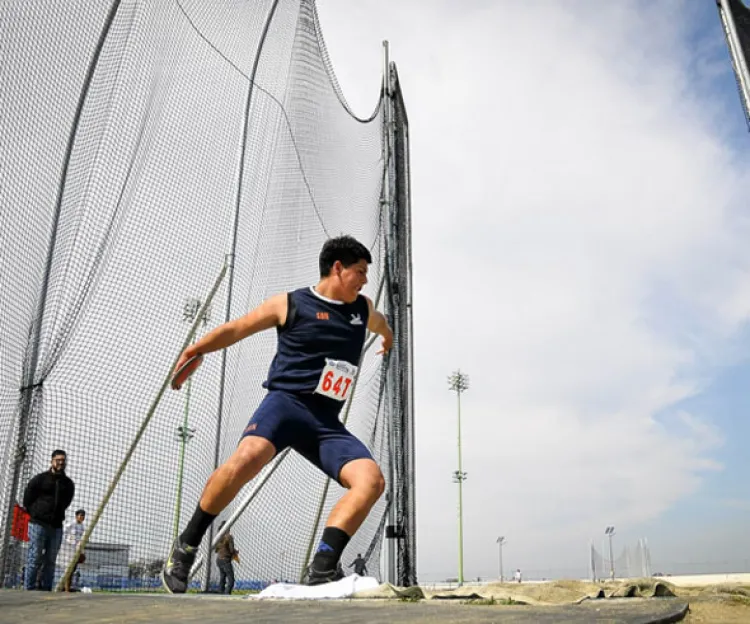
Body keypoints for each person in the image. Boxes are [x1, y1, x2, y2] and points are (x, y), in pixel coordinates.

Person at [163, 236, 392, 593]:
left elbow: (378, 322)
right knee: (246, 460)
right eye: (359, 272)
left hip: (326, 424)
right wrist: (196, 349)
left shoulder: (361, 308)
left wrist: (388, 338)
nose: (364, 279)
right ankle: (186, 546)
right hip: (286, 406)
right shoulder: (289, 304)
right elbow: (238, 328)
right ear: (337, 268)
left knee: (371, 481)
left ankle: (323, 567)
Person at [22, 449, 75, 590]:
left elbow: (67, 501)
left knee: (51, 560)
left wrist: (57, 514)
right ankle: (29, 589)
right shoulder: (40, 479)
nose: (61, 463)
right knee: (35, 557)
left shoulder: (68, 484)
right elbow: (27, 498)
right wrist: (35, 513)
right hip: (38, 524)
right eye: (58, 460)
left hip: (56, 526)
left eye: (63, 460)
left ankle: (46, 589)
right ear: (52, 461)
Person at [59, 509, 86, 591]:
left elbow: (81, 540)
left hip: (76, 551)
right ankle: (65, 588)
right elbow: (63, 534)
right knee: (68, 570)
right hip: (68, 550)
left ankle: (65, 587)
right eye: (80, 515)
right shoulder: (70, 524)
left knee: (73, 570)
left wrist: (82, 552)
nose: (82, 517)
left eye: (83, 516)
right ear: (76, 516)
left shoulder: (82, 527)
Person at [214, 521, 238, 594]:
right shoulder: (229, 537)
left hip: (218, 560)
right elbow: (231, 550)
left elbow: (216, 550)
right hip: (225, 560)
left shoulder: (218, 537)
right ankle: (227, 594)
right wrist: (235, 552)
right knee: (231, 580)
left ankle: (220, 592)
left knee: (222, 578)